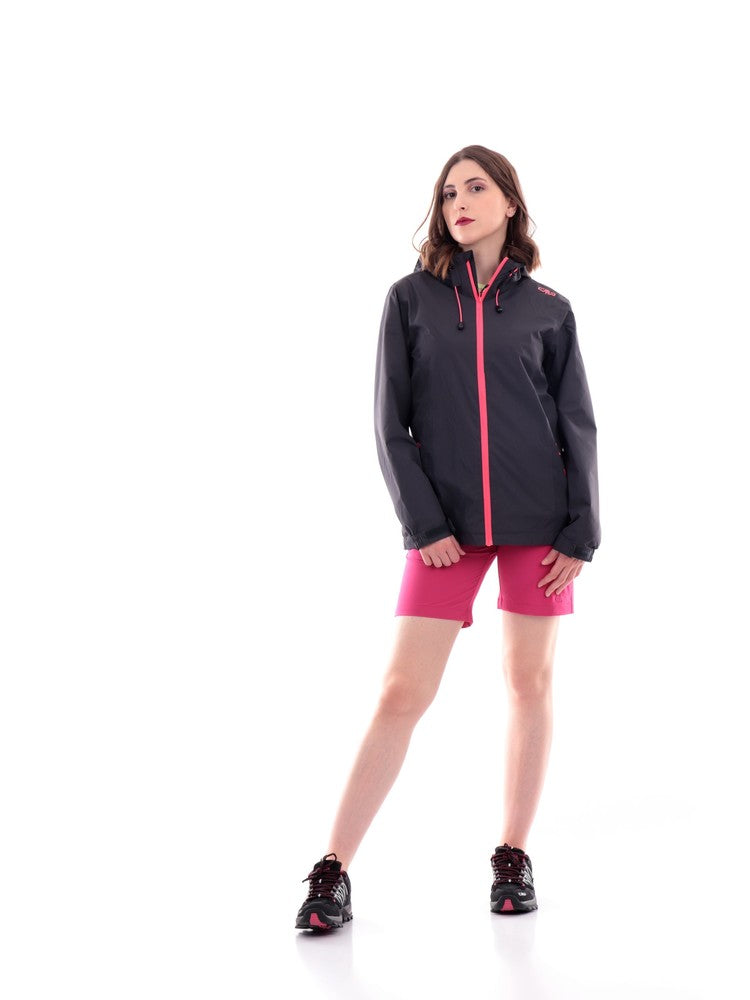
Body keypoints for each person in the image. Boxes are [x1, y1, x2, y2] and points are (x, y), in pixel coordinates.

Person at [295, 144, 600, 931]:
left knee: (528, 682)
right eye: (448, 192)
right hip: (445, 531)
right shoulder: (411, 299)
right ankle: (332, 869)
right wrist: (424, 522)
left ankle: (513, 856)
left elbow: (577, 423)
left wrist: (583, 529)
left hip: (541, 525)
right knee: (402, 691)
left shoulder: (550, 308)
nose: (458, 202)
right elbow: (387, 423)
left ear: (509, 203)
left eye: (475, 187)